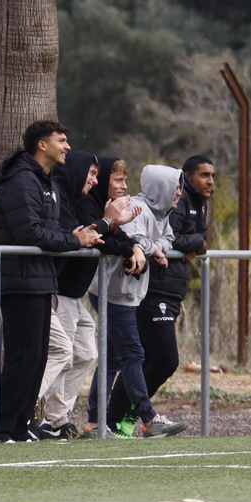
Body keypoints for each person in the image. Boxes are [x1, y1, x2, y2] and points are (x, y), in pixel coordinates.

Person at [0, 121, 103, 443]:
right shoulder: (22, 179)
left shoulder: (44, 181)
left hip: (39, 279)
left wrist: (71, 238)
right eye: (62, 140)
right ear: (42, 145)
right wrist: (74, 241)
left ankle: (18, 428)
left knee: (35, 357)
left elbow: (50, 232)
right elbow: (30, 233)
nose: (68, 147)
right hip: (18, 281)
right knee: (23, 356)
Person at [36, 151, 142, 440]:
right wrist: (111, 224)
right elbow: (99, 238)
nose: (121, 186)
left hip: (75, 294)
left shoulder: (93, 202)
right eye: (115, 179)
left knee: (87, 353)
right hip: (61, 290)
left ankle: (57, 416)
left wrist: (132, 244)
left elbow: (113, 239)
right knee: (62, 353)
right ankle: (40, 416)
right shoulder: (80, 202)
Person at [102, 165, 187, 438]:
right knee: (131, 357)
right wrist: (152, 247)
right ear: (160, 186)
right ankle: (122, 420)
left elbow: (167, 240)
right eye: (175, 185)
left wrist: (154, 247)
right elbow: (133, 241)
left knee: (126, 357)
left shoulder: (163, 213)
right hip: (118, 290)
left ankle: (112, 421)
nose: (178, 192)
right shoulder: (138, 207)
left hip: (132, 292)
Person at [139, 155, 213, 414]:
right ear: (189, 175)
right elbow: (171, 238)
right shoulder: (180, 200)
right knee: (164, 361)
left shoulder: (201, 202)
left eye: (212, 176)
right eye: (204, 175)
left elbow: (199, 237)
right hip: (155, 287)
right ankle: (114, 417)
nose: (210, 181)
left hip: (172, 289)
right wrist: (195, 243)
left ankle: (118, 422)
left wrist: (197, 242)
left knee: (151, 360)